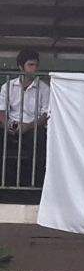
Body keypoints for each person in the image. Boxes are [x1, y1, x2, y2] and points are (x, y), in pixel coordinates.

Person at [0, 48, 50, 186]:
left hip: (33, 128)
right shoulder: (8, 86)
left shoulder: (44, 88)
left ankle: (34, 185)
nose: (34, 69)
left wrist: (28, 126)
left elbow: (46, 115)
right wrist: (8, 125)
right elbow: (1, 111)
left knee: (40, 139)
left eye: (36, 65)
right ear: (21, 67)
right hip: (10, 126)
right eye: (30, 65)